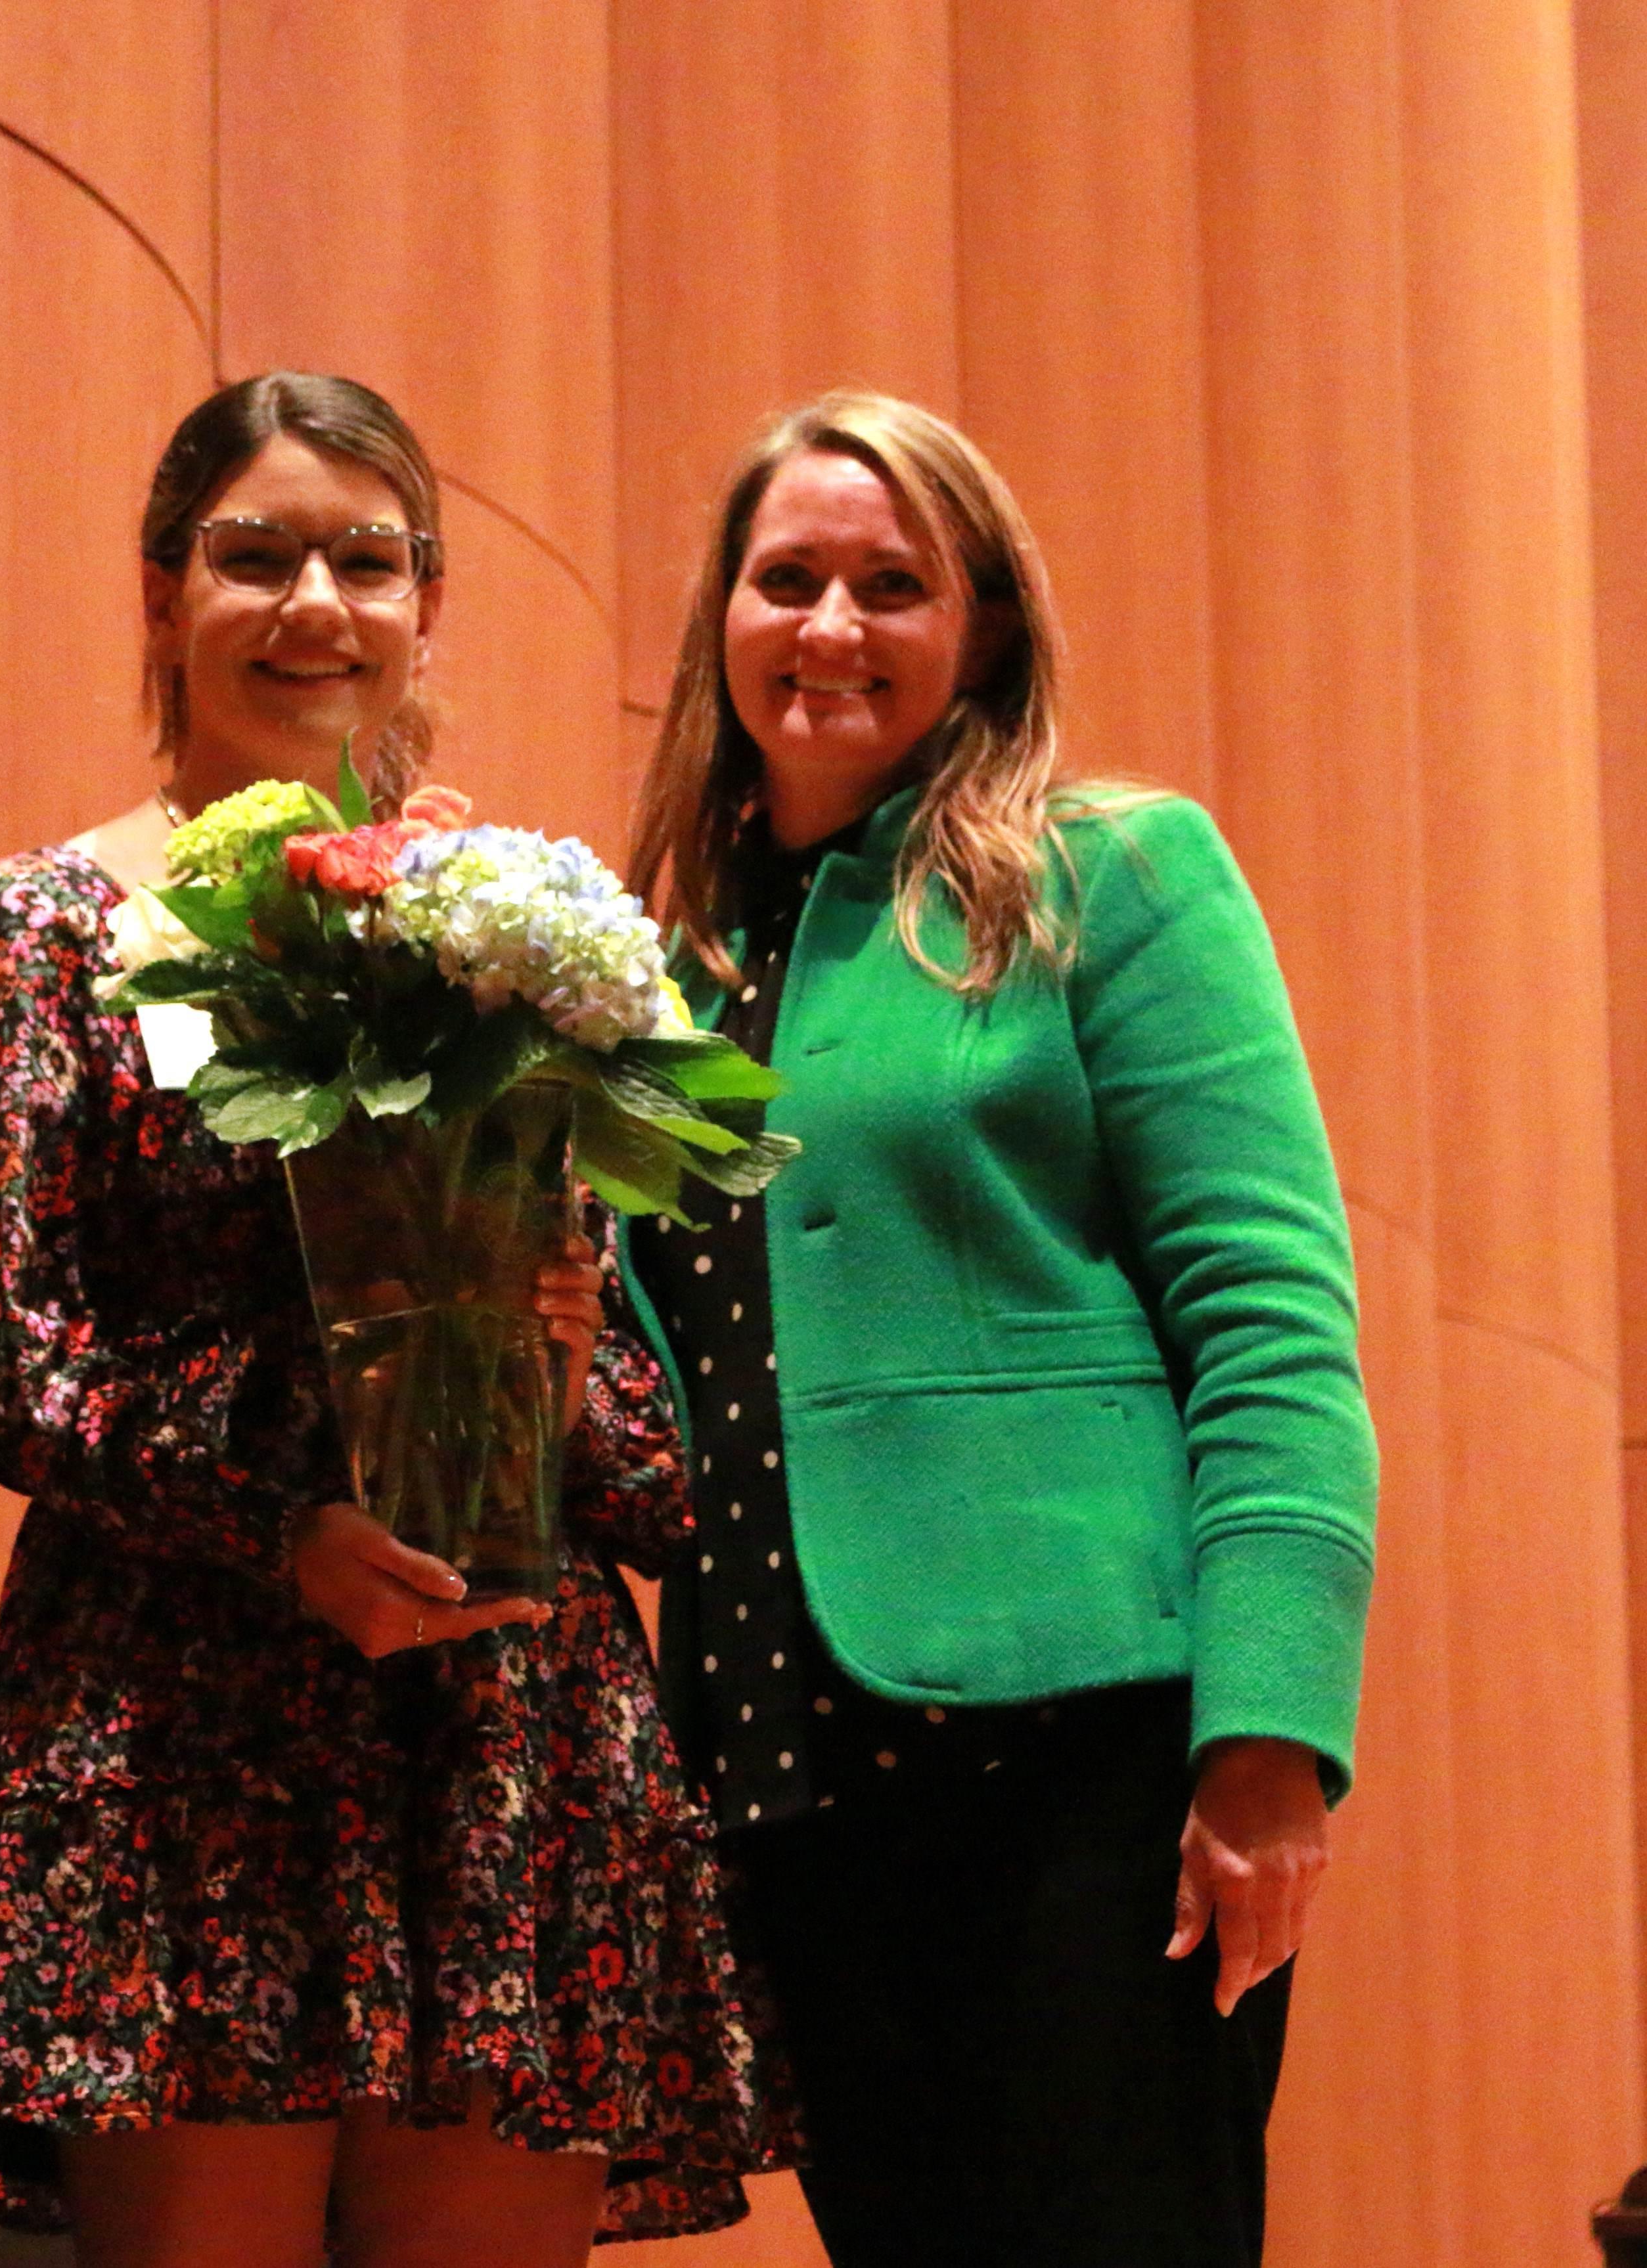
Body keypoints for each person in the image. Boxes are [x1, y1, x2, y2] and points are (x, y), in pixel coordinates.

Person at [0, 372, 788, 2268]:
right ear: (158, 596)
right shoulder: (33, 935)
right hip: (183, 1735)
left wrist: (546, 1359)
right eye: (255, 555)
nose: (316, 604)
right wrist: (279, 1531)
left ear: (427, 607)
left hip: (504, 1740)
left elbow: (654, 1444)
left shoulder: (514, 932)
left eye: (368, 560)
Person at [621, 391, 1377, 2268]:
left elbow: (1273, 1317)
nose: (831, 628)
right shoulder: (664, 967)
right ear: (721, 618)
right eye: (786, 579)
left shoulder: (1109, 875)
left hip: (1082, 1767)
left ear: (985, 635)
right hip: (785, 1780)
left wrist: (1269, 1735)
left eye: (895, 585)